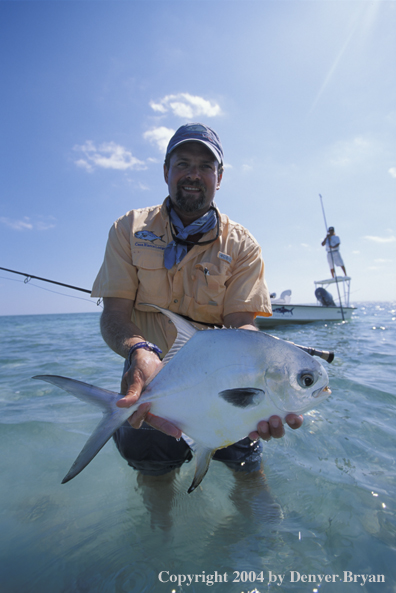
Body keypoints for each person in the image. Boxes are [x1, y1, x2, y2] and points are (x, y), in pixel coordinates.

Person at [91, 123, 303, 492]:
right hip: (149, 386)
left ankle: (257, 542)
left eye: (205, 166)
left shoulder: (243, 246)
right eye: (183, 163)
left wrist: (271, 371)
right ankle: (160, 543)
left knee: (248, 474)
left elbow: (242, 325)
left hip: (228, 390)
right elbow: (114, 316)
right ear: (165, 171)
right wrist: (138, 350)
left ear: (219, 177)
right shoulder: (128, 229)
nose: (193, 174)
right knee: (154, 477)